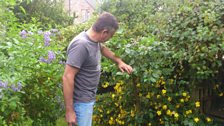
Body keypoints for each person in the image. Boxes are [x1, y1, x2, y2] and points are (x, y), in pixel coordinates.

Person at [62, 12, 133, 126]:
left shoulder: (94, 41)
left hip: (86, 101)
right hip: (80, 103)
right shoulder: (81, 45)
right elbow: (67, 77)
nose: (109, 39)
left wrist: (119, 61)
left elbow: (103, 49)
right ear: (104, 32)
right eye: (111, 36)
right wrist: (70, 111)